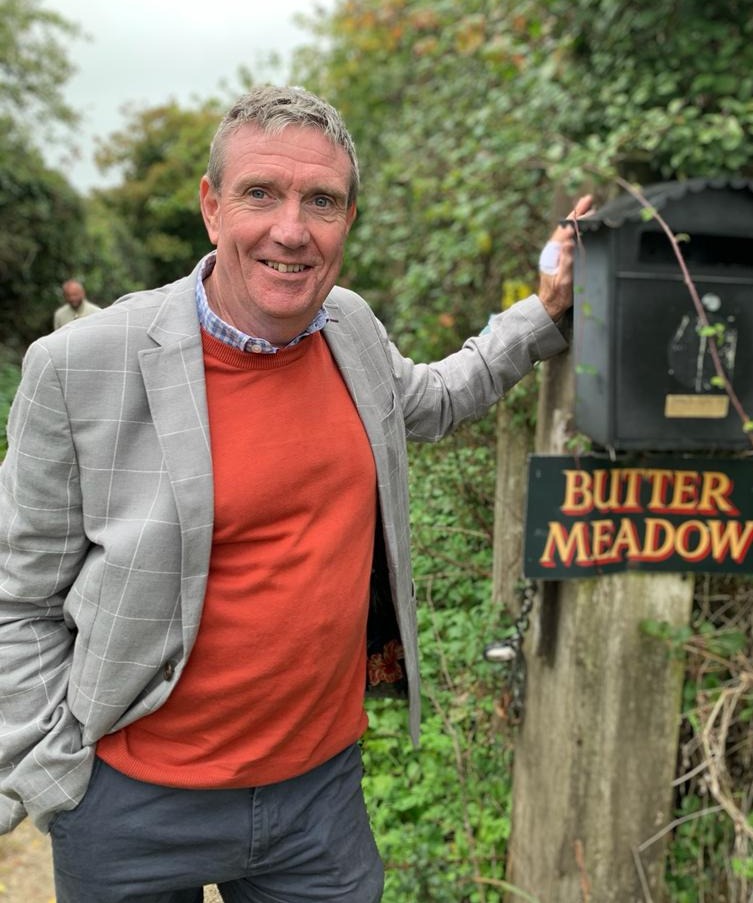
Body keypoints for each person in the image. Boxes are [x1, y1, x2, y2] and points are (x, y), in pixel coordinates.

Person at [0, 85, 591, 902]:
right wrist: (45, 771)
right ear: (211, 207)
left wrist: (543, 309)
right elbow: (18, 597)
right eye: (260, 194)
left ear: (348, 218)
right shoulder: (80, 365)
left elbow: (435, 396)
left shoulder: (347, 325)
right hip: (127, 805)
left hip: (317, 802)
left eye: (322, 200)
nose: (291, 228)